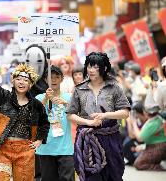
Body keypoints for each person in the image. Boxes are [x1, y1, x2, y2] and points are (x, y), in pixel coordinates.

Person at [0, 47, 50, 181]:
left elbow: (44, 123)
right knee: (0, 178)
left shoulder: (35, 104)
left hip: (25, 150)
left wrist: (39, 141)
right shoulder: (2, 97)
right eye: (18, 79)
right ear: (13, 81)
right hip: (2, 148)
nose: (22, 82)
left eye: (26, 80)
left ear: (30, 85)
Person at [66, 52, 130, 181]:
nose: (91, 70)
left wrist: (105, 115)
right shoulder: (79, 89)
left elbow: (125, 112)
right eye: (89, 67)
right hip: (87, 138)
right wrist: (88, 123)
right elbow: (70, 115)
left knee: (114, 174)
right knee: (91, 176)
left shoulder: (114, 88)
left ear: (104, 68)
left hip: (110, 137)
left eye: (95, 67)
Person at [35, 65, 75, 181]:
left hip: (65, 148)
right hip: (45, 148)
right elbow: (34, 117)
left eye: (57, 77)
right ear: (45, 80)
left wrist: (65, 104)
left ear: (62, 79)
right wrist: (45, 99)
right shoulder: (39, 98)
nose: (53, 80)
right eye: (50, 77)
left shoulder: (69, 97)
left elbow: (79, 114)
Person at [131, 95, 166, 171]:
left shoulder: (153, 122)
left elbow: (139, 138)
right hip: (154, 145)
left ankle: (160, 167)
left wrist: (133, 123)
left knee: (138, 164)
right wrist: (143, 147)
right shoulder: (155, 119)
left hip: (158, 147)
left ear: (145, 112)